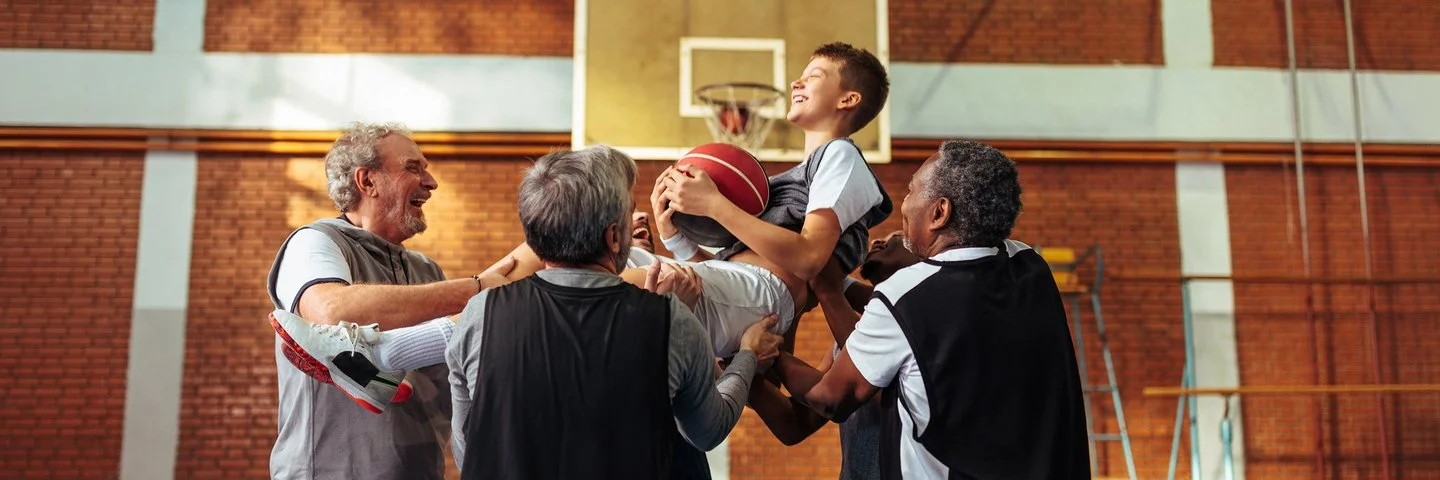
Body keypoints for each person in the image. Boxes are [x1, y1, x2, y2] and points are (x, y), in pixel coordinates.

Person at [447, 145, 783, 479]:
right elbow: (707, 431)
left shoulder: (479, 314)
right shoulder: (671, 319)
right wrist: (748, 354)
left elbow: (466, 449)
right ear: (613, 237)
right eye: (628, 215)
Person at [773, 140, 1091, 479]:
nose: (905, 206)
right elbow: (941, 306)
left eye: (911, 192)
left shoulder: (903, 297)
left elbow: (831, 398)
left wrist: (759, 350)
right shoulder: (1029, 266)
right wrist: (838, 287)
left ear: (939, 213)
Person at [263, 122, 515, 480]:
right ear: (367, 181)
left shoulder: (426, 270)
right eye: (414, 168)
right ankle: (380, 356)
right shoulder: (315, 242)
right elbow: (330, 312)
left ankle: (384, 356)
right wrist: (476, 288)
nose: (431, 182)